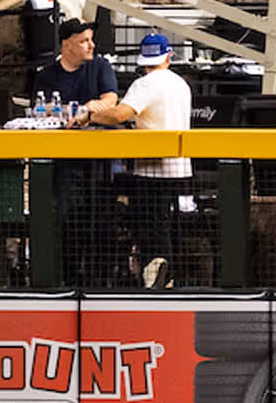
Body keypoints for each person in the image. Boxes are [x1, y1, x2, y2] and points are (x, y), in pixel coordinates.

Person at [80, 31, 192, 288]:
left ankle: (156, 278)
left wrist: (89, 115)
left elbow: (119, 115)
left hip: (152, 171)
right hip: (179, 169)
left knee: (151, 227)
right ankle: (163, 274)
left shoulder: (145, 84)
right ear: (168, 57)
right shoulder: (181, 84)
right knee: (162, 224)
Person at [38, 18, 120, 286]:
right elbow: (41, 109)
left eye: (90, 39)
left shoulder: (100, 66)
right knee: (67, 222)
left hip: (99, 161)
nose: (91, 45)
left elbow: (110, 99)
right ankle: (68, 280)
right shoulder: (46, 74)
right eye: (84, 41)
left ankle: (101, 282)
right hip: (63, 162)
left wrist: (89, 109)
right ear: (67, 45)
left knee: (101, 221)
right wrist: (76, 110)